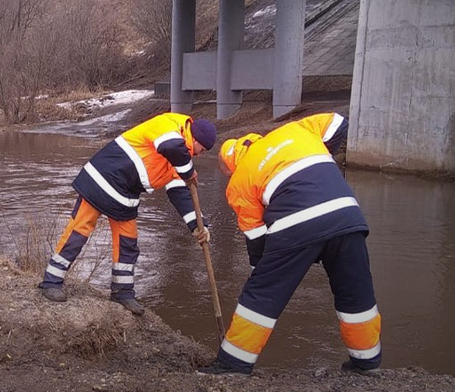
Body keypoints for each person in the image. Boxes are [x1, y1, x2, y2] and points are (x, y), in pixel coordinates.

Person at [200, 112, 381, 375]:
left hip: (295, 223)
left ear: (232, 164)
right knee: (355, 291)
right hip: (347, 215)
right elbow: (338, 122)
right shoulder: (296, 131)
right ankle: (366, 363)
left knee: (261, 295)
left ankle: (233, 364)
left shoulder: (240, 180)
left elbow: (256, 237)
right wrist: (321, 156)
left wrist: (259, 274)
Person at [39, 112, 217, 315]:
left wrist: (198, 226)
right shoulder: (170, 126)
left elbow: (179, 193)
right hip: (102, 179)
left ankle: (122, 292)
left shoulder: (180, 158)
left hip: (126, 192)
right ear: (196, 140)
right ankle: (51, 281)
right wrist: (189, 172)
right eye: (202, 149)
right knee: (78, 230)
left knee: (128, 242)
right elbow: (170, 147)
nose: (200, 154)